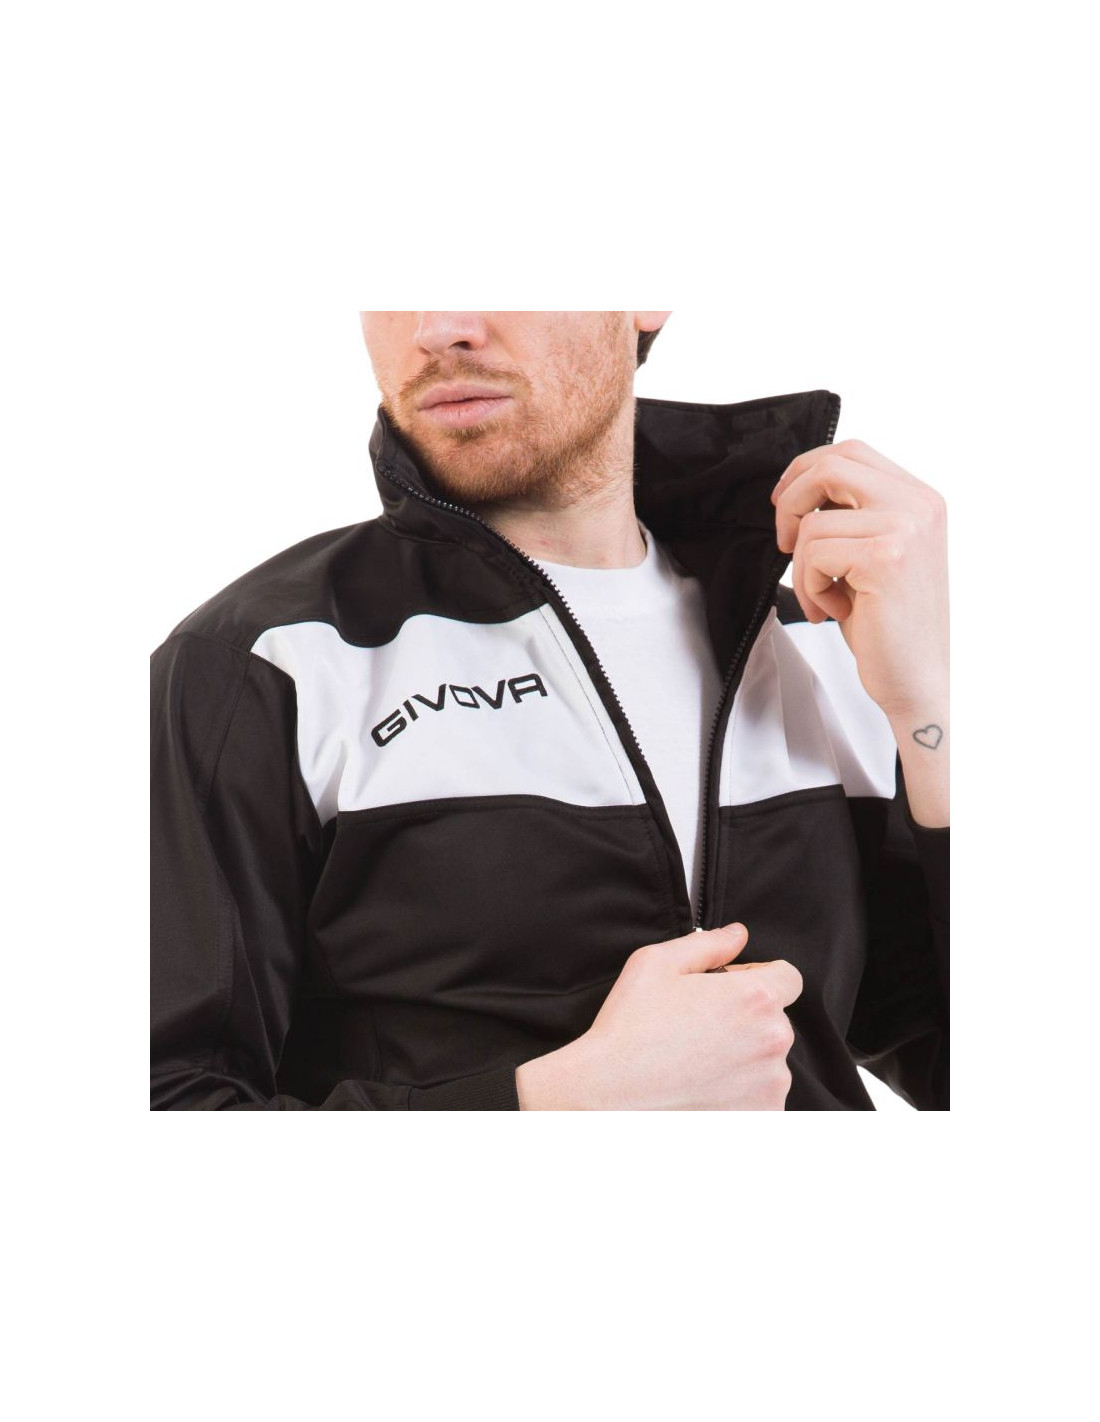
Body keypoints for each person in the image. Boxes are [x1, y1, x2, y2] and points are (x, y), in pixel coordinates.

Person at [150, 311, 949, 1111]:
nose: (439, 327)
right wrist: (553, 1106)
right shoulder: (268, 663)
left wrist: (933, 705)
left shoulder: (827, 643)